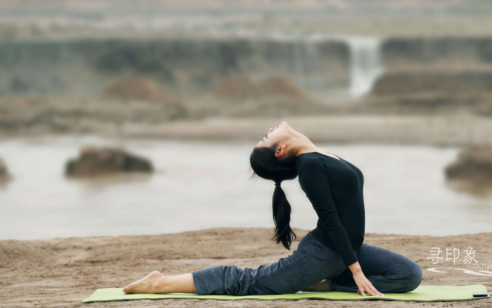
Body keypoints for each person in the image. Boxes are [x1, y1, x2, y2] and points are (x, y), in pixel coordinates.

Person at [122, 121, 422, 297]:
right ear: (280, 151)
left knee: (409, 275)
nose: (270, 129)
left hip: (345, 251)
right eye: (267, 137)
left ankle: (324, 283)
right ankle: (161, 283)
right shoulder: (309, 166)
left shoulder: (319, 156)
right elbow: (330, 219)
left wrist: (349, 263)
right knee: (250, 281)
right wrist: (356, 269)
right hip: (325, 252)